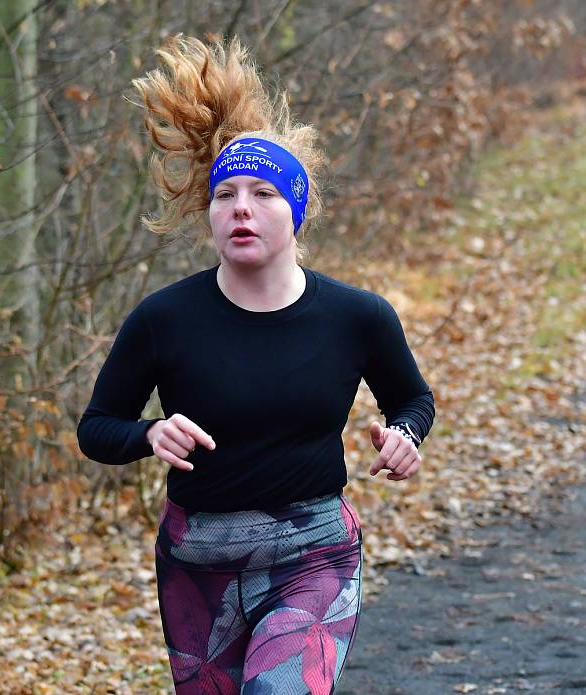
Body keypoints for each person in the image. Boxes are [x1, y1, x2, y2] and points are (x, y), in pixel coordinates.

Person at [77, 34, 435, 695]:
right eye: (226, 195)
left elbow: (413, 399)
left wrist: (406, 436)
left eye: (264, 194)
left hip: (314, 554)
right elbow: (96, 426)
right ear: (210, 214)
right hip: (198, 565)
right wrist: (148, 433)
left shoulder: (357, 316)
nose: (242, 207)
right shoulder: (164, 319)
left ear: (295, 211)